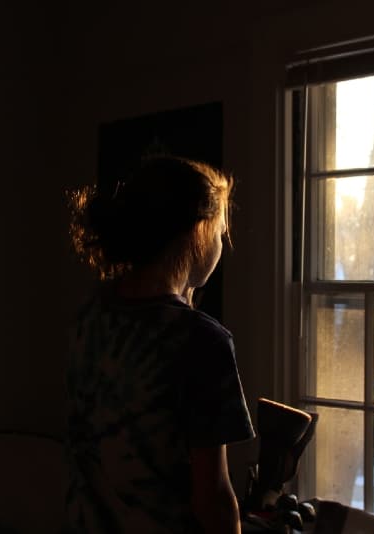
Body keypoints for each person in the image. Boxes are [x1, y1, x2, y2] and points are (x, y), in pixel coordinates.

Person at [64, 155, 255, 534]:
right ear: (197, 233)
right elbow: (211, 495)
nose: (221, 243)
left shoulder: (92, 313)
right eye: (221, 232)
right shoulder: (202, 341)